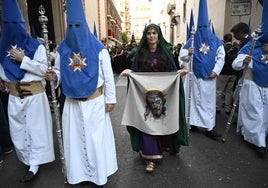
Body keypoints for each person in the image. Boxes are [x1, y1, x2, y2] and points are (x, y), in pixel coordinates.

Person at [46, 0, 118, 186]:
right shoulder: (62, 50)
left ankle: (98, 176)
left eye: (78, 25)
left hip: (95, 102)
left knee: (96, 141)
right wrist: (55, 76)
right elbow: (61, 71)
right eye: (71, 26)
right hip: (72, 103)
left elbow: (108, 76)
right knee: (75, 142)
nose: (74, 29)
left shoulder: (100, 50)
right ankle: (78, 175)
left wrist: (110, 99)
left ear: (84, 25)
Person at [120, 23, 188, 173]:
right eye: (149, 33)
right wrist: (129, 71)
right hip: (144, 95)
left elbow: (172, 71)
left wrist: (178, 73)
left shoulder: (166, 52)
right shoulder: (141, 53)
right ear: (145, 36)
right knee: (147, 122)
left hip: (162, 94)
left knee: (161, 120)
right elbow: (135, 71)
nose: (151, 36)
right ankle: (151, 158)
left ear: (159, 35)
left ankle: (163, 146)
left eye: (154, 33)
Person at [0, 0, 55, 182]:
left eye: (15, 24)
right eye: (8, 25)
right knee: (19, 132)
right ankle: (27, 159)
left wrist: (24, 59)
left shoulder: (36, 47)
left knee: (35, 131)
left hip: (34, 96)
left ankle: (35, 164)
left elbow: (44, 71)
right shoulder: (2, 49)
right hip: (15, 97)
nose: (12, 28)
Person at [179, 0, 225, 139]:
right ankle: (192, 123)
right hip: (194, 78)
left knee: (208, 103)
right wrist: (189, 53)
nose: (203, 29)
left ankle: (209, 128)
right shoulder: (191, 41)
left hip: (208, 78)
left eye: (205, 26)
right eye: (201, 26)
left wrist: (216, 70)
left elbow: (221, 57)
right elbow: (181, 58)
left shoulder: (216, 41)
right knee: (192, 101)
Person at [232, 0, 268, 158]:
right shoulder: (251, 46)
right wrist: (246, 60)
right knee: (255, 114)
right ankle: (259, 143)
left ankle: (259, 136)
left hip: (266, 87)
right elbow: (236, 63)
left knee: (264, 115)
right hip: (252, 84)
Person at [216, 33, 238, 114]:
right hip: (233, 73)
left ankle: (217, 107)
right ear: (231, 39)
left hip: (223, 72)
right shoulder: (236, 49)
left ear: (224, 39)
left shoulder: (222, 49)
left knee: (219, 90)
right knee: (229, 92)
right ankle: (227, 108)